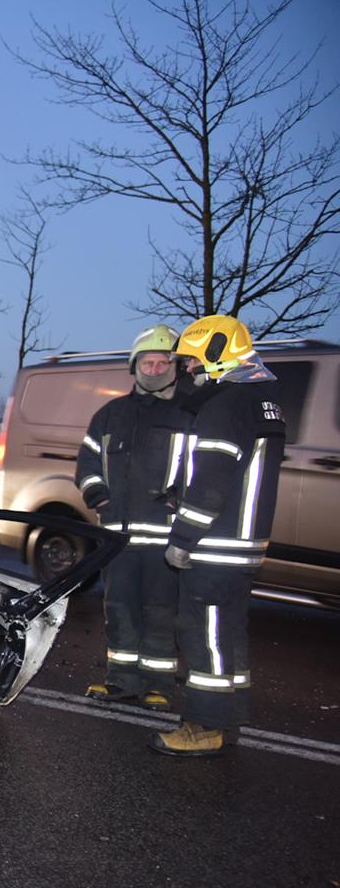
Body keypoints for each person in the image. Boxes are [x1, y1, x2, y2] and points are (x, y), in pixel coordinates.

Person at [151, 314, 286, 757]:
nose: (188, 369)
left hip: (215, 546)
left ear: (217, 354)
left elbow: (212, 481)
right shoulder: (261, 400)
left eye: (192, 360)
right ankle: (230, 717)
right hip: (243, 545)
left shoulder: (224, 404)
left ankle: (204, 726)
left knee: (203, 635)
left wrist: (183, 538)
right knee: (228, 634)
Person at [75, 324, 191, 710]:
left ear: (175, 367)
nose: (154, 369)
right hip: (118, 538)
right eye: (147, 363)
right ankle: (121, 679)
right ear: (134, 366)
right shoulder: (110, 415)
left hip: (164, 539)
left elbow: (204, 466)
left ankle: (159, 684)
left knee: (161, 612)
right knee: (119, 608)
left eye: (162, 363)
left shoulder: (190, 414)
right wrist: (98, 495)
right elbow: (88, 462)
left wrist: (180, 497)